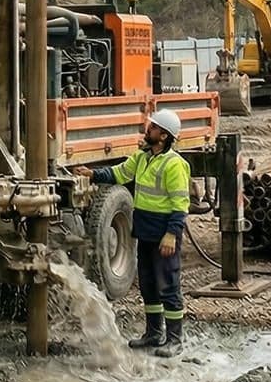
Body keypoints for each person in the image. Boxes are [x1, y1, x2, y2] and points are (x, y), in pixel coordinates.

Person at [74, 109, 189, 357]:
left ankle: (175, 339)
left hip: (164, 232)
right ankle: (153, 334)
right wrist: (93, 174)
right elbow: (120, 173)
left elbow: (180, 204)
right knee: (148, 284)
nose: (149, 129)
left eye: (154, 127)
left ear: (164, 136)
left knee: (168, 284)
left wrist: (172, 234)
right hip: (145, 230)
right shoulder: (142, 157)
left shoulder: (174, 165)